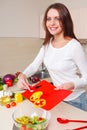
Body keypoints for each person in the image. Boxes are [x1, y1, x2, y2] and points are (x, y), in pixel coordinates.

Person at [17, 3, 87, 111]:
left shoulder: (74, 46)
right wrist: (23, 75)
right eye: (48, 19)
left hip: (77, 100)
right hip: (58, 98)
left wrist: (71, 84)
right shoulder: (47, 44)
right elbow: (34, 65)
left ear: (65, 20)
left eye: (57, 18)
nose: (52, 23)